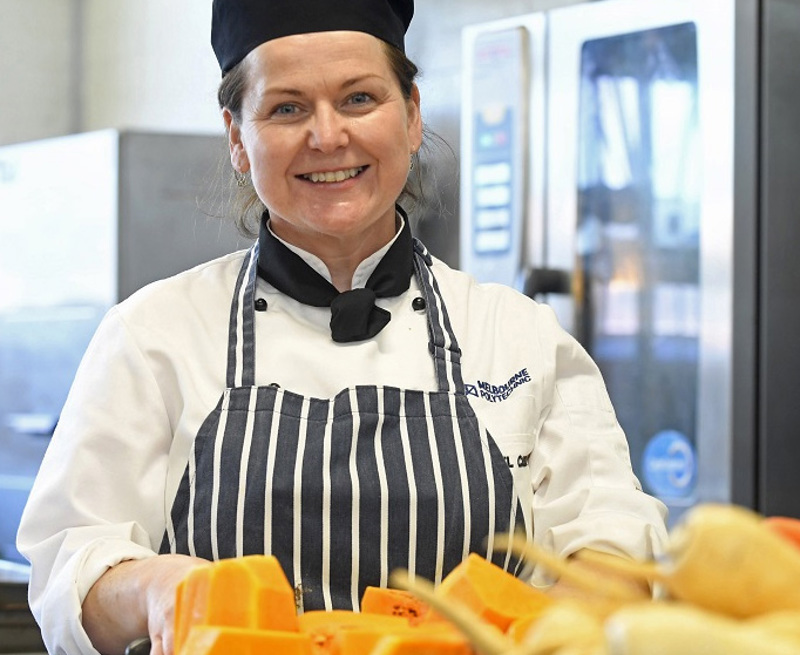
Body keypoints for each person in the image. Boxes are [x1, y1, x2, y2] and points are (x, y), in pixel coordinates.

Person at [17, 1, 668, 653]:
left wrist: (556, 622)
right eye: (287, 108)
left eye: (359, 98)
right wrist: (154, 587)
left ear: (411, 115)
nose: (327, 137)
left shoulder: (521, 334)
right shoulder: (151, 334)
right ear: (238, 138)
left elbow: (611, 541)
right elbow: (69, 574)